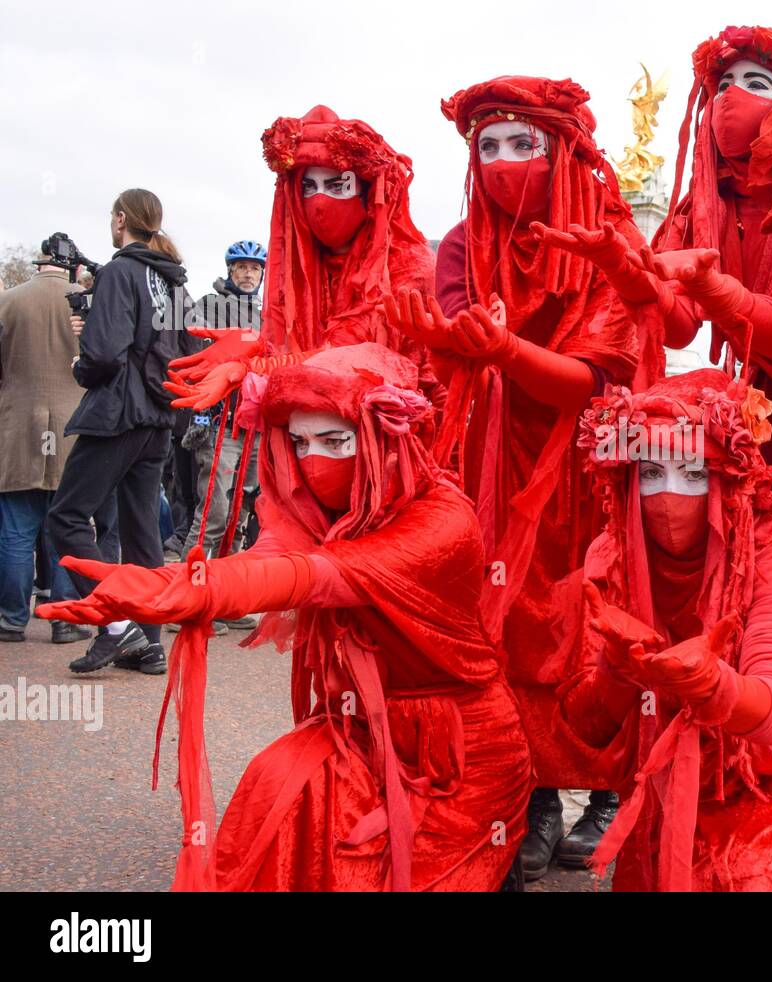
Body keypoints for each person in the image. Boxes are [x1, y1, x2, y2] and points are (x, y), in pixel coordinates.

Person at [39, 343, 533, 891]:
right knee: (277, 785)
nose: (312, 460)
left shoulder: (443, 518)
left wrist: (198, 589)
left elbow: (320, 573)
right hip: (360, 732)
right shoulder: (317, 512)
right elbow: (272, 556)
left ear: (388, 437)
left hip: (460, 752)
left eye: (334, 440)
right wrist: (178, 581)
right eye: (299, 441)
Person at [539, 26, 772, 734]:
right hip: (751, 434)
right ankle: (719, 753)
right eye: (721, 86)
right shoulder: (707, 196)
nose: (732, 100)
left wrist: (721, 292)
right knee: (736, 593)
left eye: (755, 84)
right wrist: (629, 272)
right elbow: (674, 323)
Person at [385, 76, 643, 880]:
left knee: (599, 622)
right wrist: (452, 343)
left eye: (519, 144)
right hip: (494, 458)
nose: (501, 162)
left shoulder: (608, 235)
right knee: (505, 627)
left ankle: (606, 789)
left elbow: (598, 380)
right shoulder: (463, 243)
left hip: (593, 461)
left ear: (562, 149)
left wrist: (505, 353)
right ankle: (529, 797)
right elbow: (459, 342)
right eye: (485, 147)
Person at [560, 369, 772, 890]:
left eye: (691, 473)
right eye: (649, 473)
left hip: (766, 791)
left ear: (727, 481)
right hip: (656, 793)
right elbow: (587, 727)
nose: (667, 498)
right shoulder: (611, 554)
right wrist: (616, 671)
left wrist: (715, 686)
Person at [165, 106, 443, 414]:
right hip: (309, 433)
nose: (320, 202)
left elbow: (353, 356)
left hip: (391, 439)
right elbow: (296, 346)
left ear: (368, 193)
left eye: (338, 186)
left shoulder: (407, 265)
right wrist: (252, 341)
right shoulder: (300, 269)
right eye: (308, 187)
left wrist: (252, 365)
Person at [45, 189, 192, 676]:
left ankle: (114, 626)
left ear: (121, 219)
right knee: (143, 533)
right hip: (158, 418)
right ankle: (148, 642)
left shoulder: (119, 271)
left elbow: (105, 356)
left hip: (117, 414)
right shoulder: (174, 282)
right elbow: (183, 347)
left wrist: (80, 360)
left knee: (65, 517)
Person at [171, 241, 267, 633]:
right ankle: (183, 598)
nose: (247, 274)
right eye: (241, 267)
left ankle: (224, 599)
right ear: (230, 270)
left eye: (254, 269)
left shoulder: (267, 314)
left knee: (241, 513)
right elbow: (196, 350)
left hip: (255, 425)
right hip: (219, 422)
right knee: (212, 511)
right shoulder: (210, 305)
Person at [0, 250, 93, 644]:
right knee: (66, 526)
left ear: (38, 265)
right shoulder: (86, 300)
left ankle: (11, 619)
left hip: (19, 424)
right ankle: (64, 617)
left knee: (17, 531)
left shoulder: (8, 300)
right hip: (73, 425)